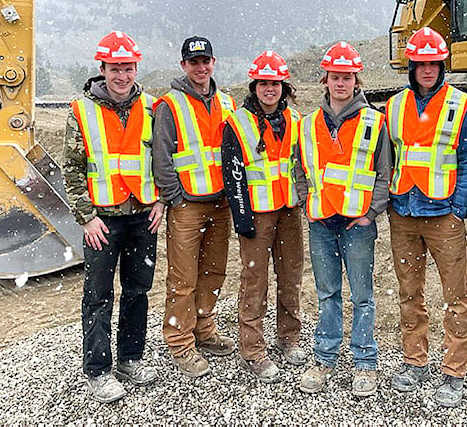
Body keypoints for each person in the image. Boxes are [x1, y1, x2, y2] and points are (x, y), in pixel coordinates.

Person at [62, 30, 165, 404]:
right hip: (102, 221)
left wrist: (160, 203)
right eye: (115, 68)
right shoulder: (82, 110)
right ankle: (98, 371)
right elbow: (71, 169)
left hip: (143, 216)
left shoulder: (153, 108)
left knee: (138, 291)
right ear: (102, 68)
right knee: (98, 295)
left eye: (128, 68)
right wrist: (86, 217)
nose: (122, 75)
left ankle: (130, 359)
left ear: (136, 68)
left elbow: (162, 161)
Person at [384, 27, 467, 407]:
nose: (427, 69)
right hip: (404, 212)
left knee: (455, 297)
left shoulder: (462, 105)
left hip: (443, 215)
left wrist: (460, 210)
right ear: (411, 65)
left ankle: (454, 370)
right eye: (421, 63)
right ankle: (415, 361)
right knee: (410, 293)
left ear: (443, 64)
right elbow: (389, 158)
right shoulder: (394, 106)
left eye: (433, 63)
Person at [294, 41, 390, 397]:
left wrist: (371, 213)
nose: (340, 83)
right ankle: (324, 358)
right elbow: (298, 169)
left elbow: (384, 172)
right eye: (335, 77)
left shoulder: (374, 121)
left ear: (356, 80)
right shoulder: (307, 125)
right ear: (325, 80)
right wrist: (307, 204)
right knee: (327, 294)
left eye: (346, 77)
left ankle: (365, 362)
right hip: (321, 222)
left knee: (363, 295)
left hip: (357, 226)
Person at [152, 35, 237, 378]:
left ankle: (204, 329)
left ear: (213, 63)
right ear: (183, 65)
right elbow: (162, 157)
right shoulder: (169, 106)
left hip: (221, 204)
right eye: (194, 62)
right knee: (183, 277)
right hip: (187, 205)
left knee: (213, 271)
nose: (200, 68)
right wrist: (176, 198)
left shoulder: (227, 103)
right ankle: (179, 341)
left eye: (206, 61)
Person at [220, 50, 307, 384]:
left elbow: (302, 166)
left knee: (290, 276)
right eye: (263, 83)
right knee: (254, 281)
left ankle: (289, 338)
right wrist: (241, 217)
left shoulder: (297, 120)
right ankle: (253, 349)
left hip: (288, 211)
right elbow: (233, 174)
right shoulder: (237, 123)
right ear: (254, 85)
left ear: (284, 86)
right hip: (256, 215)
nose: (269, 89)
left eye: (275, 83)